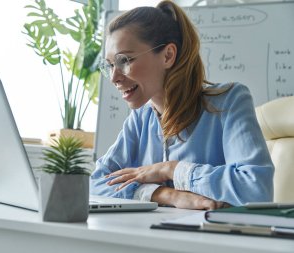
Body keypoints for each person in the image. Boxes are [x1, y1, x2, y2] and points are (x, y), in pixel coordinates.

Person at [90, 0, 274, 210]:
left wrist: (172, 170)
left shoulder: (230, 101)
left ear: (168, 55)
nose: (114, 77)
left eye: (125, 60)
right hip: (153, 236)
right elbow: (96, 182)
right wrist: (164, 194)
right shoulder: (140, 119)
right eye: (110, 65)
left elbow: (257, 190)